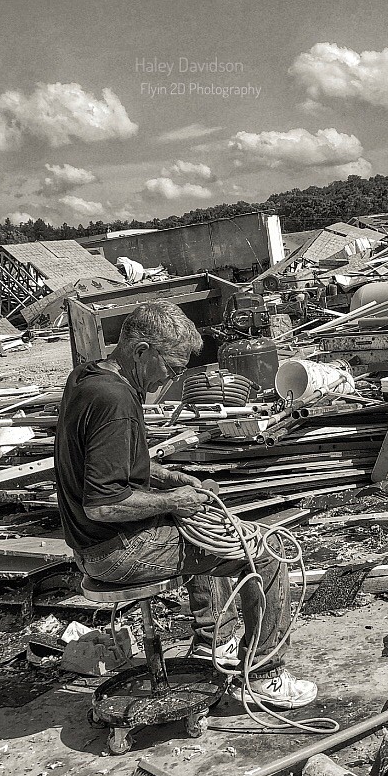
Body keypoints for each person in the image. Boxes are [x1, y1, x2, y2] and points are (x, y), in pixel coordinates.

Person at [54, 299, 317, 709]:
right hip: (116, 551)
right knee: (265, 554)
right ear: (142, 351)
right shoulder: (116, 402)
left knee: (207, 528)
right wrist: (174, 501)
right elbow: (102, 504)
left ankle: (216, 639)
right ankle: (265, 672)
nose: (172, 378)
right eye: (172, 367)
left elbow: (114, 462)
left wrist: (166, 477)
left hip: (90, 547)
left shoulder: (88, 378)